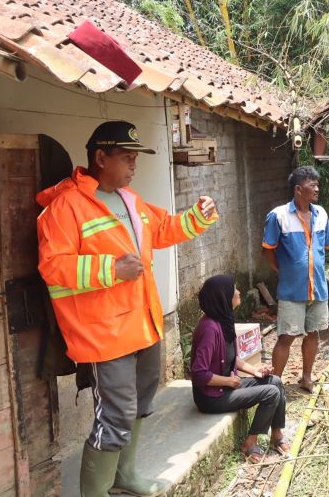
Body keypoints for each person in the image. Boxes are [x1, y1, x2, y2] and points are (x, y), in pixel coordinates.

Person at [37, 121, 218, 497]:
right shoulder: (66, 206)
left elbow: (164, 229)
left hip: (144, 324)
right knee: (115, 416)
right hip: (104, 334)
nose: (134, 165)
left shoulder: (130, 200)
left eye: (136, 157)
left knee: (140, 404)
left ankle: (126, 474)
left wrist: (198, 216)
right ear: (100, 157)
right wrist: (110, 269)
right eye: (126, 157)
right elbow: (53, 266)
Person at [190, 275, 289, 463]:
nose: (238, 292)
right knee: (270, 393)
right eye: (234, 289)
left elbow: (231, 358)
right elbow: (199, 373)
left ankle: (276, 434)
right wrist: (228, 381)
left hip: (226, 386)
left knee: (275, 381)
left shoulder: (223, 321)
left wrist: (255, 371)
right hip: (212, 397)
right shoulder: (209, 329)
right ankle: (250, 443)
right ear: (224, 297)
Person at [262, 166, 329, 392]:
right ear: (298, 189)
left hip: (318, 288)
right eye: (312, 185)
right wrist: (282, 271)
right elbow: (267, 250)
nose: (317, 188)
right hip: (291, 290)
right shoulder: (278, 216)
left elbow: (325, 247)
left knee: (313, 333)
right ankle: (274, 385)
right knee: (286, 336)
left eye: (317, 184)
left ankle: (306, 377)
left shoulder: (321, 214)